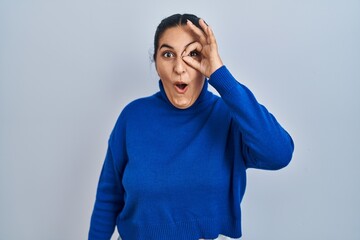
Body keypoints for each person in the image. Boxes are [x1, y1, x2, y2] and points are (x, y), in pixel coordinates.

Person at [88, 13, 294, 240]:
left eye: (193, 54)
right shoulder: (132, 116)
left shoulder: (229, 118)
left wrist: (220, 75)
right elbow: (109, 197)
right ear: (156, 63)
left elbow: (279, 153)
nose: (179, 67)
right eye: (168, 54)